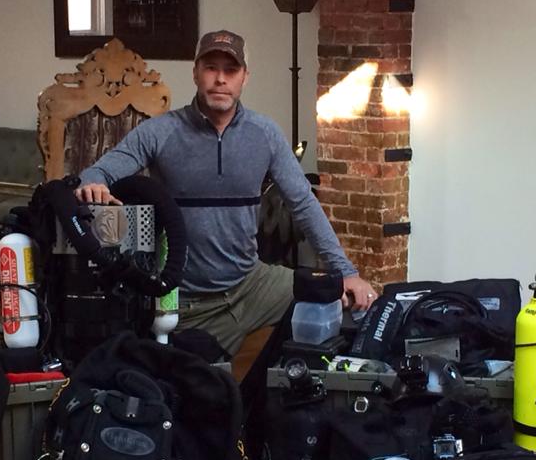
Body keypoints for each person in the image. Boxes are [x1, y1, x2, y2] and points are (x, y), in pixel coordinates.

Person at [76, 29, 377, 355]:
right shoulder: (160, 132)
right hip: (188, 302)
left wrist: (346, 273)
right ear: (195, 73)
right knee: (196, 384)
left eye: (231, 70)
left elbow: (303, 203)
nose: (220, 79)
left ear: (244, 77)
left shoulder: (265, 134)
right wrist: (94, 184)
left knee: (337, 298)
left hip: (253, 285)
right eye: (211, 68)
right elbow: (97, 172)